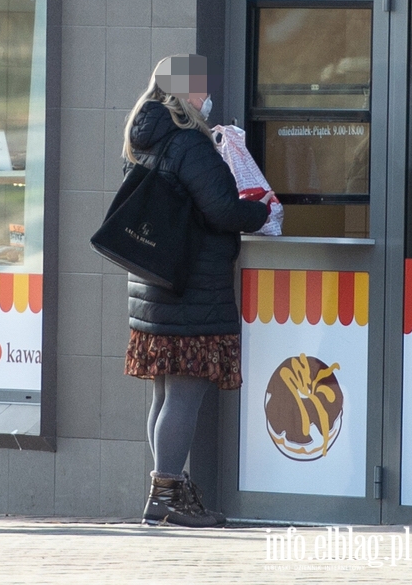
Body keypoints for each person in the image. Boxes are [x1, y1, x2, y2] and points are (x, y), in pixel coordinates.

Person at [121, 55, 273, 528]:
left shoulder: (138, 139)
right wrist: (262, 212)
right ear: (184, 94)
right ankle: (165, 495)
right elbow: (222, 210)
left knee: (164, 397)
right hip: (192, 289)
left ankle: (168, 489)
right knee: (183, 396)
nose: (207, 96)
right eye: (200, 88)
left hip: (155, 285)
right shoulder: (190, 143)